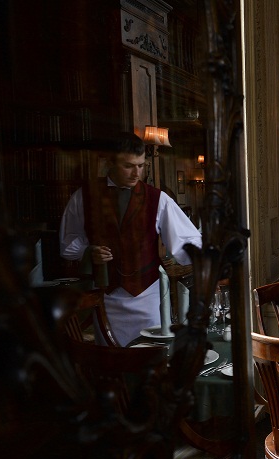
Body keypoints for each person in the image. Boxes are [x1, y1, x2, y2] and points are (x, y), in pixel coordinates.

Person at [60, 132, 202, 346]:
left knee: (151, 358)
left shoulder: (158, 199)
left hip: (149, 297)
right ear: (110, 163)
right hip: (105, 298)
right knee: (112, 363)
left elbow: (187, 243)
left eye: (141, 166)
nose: (137, 173)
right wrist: (88, 251)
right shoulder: (84, 196)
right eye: (128, 166)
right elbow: (67, 242)